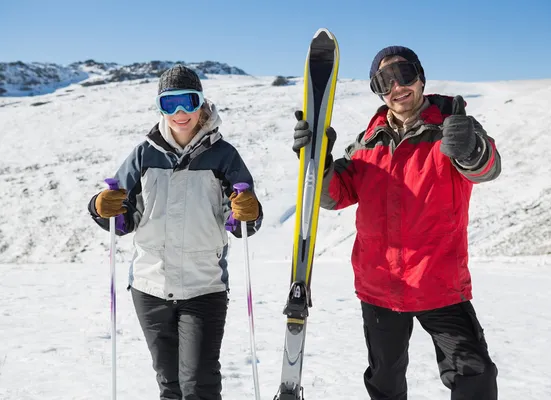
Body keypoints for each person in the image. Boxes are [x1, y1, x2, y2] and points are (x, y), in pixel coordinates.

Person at [292, 46, 501, 399]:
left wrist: (470, 149)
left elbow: (486, 168)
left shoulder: (451, 128)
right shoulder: (367, 143)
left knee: (474, 375)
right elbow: (335, 196)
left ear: (420, 77)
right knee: (384, 382)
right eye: (384, 81)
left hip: (439, 283)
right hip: (379, 286)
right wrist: (318, 162)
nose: (397, 87)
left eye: (403, 74)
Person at [88, 64, 263, 400]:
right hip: (149, 286)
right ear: (160, 108)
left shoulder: (224, 156)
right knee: (169, 385)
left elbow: (242, 220)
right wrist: (102, 206)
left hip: (204, 287)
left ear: (202, 103)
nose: (181, 113)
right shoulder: (144, 154)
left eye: (188, 102)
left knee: (199, 384)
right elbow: (121, 218)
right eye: (170, 104)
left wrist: (248, 212)